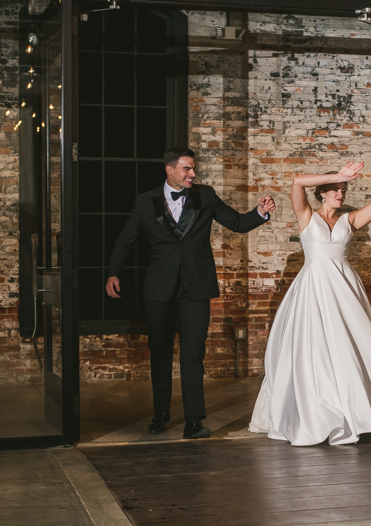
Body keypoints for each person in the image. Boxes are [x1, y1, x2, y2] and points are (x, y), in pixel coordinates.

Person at [248, 151, 371, 446]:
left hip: (343, 288)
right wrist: (338, 175)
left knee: (351, 349)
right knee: (313, 350)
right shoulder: (306, 216)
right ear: (322, 193)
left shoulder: (350, 220)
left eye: (344, 190)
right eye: (335, 190)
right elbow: (297, 182)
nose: (340, 193)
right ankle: (315, 415)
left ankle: (359, 414)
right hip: (312, 288)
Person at [105, 146, 276, 439]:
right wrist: (113, 273)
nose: (192, 174)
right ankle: (160, 414)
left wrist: (260, 213)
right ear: (169, 169)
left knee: (193, 352)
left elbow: (236, 222)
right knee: (159, 352)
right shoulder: (145, 202)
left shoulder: (205, 196)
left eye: (193, 168)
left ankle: (194, 420)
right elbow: (125, 241)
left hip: (195, 287)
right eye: (186, 168)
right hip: (159, 288)